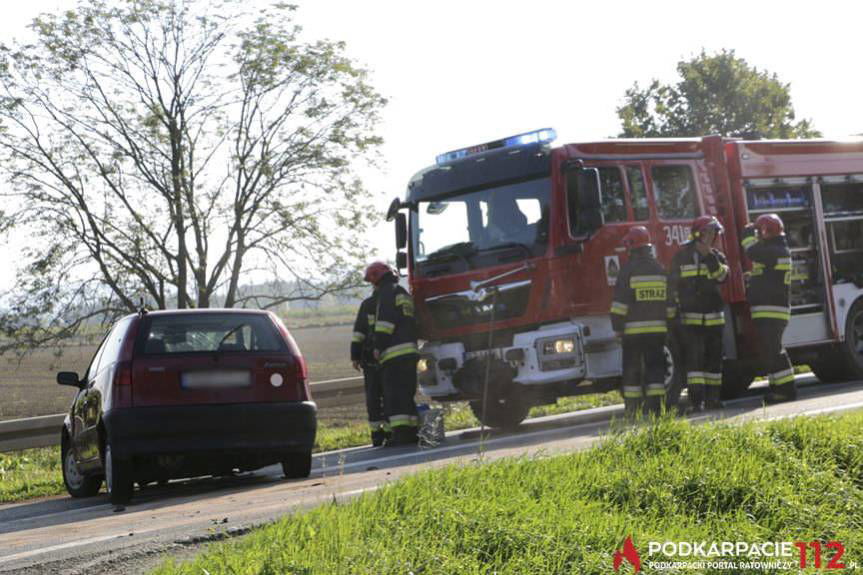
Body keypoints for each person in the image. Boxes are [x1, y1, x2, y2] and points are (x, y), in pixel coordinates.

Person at [668, 215, 730, 412]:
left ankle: (713, 399)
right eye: (710, 232)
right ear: (698, 234)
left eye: (715, 233)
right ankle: (697, 402)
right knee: (694, 364)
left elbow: (722, 277)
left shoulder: (717, 256)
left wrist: (708, 256)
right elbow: (672, 286)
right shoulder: (681, 257)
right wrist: (674, 313)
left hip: (714, 320)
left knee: (714, 363)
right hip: (690, 321)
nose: (713, 236)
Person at [610, 226, 669, 415]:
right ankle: (656, 409)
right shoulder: (659, 268)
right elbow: (669, 302)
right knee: (656, 369)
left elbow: (620, 304)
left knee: (632, 369)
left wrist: (617, 327)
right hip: (657, 332)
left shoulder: (628, 271)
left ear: (632, 247)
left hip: (632, 333)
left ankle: (632, 410)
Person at [741, 213, 797, 403]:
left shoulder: (776, 250)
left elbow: (751, 251)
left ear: (766, 231)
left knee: (773, 351)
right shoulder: (775, 249)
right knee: (770, 351)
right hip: (769, 309)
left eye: (758, 231)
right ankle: (778, 389)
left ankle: (787, 390)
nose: (756, 235)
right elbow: (766, 274)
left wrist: (747, 235)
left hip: (773, 310)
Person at [367, 261, 420, 445]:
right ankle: (412, 432)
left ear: (376, 279)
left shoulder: (386, 293)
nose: (372, 286)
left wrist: (378, 346)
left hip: (394, 355)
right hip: (410, 352)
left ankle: (401, 435)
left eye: (371, 281)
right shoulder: (402, 292)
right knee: (407, 394)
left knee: (394, 396)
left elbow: (385, 323)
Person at [350, 285, 388, 446]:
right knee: (389, 397)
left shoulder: (367, 304)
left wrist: (355, 356)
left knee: (373, 397)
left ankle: (377, 435)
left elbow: (358, 332)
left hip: (370, 360)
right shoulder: (391, 304)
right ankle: (388, 432)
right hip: (387, 360)